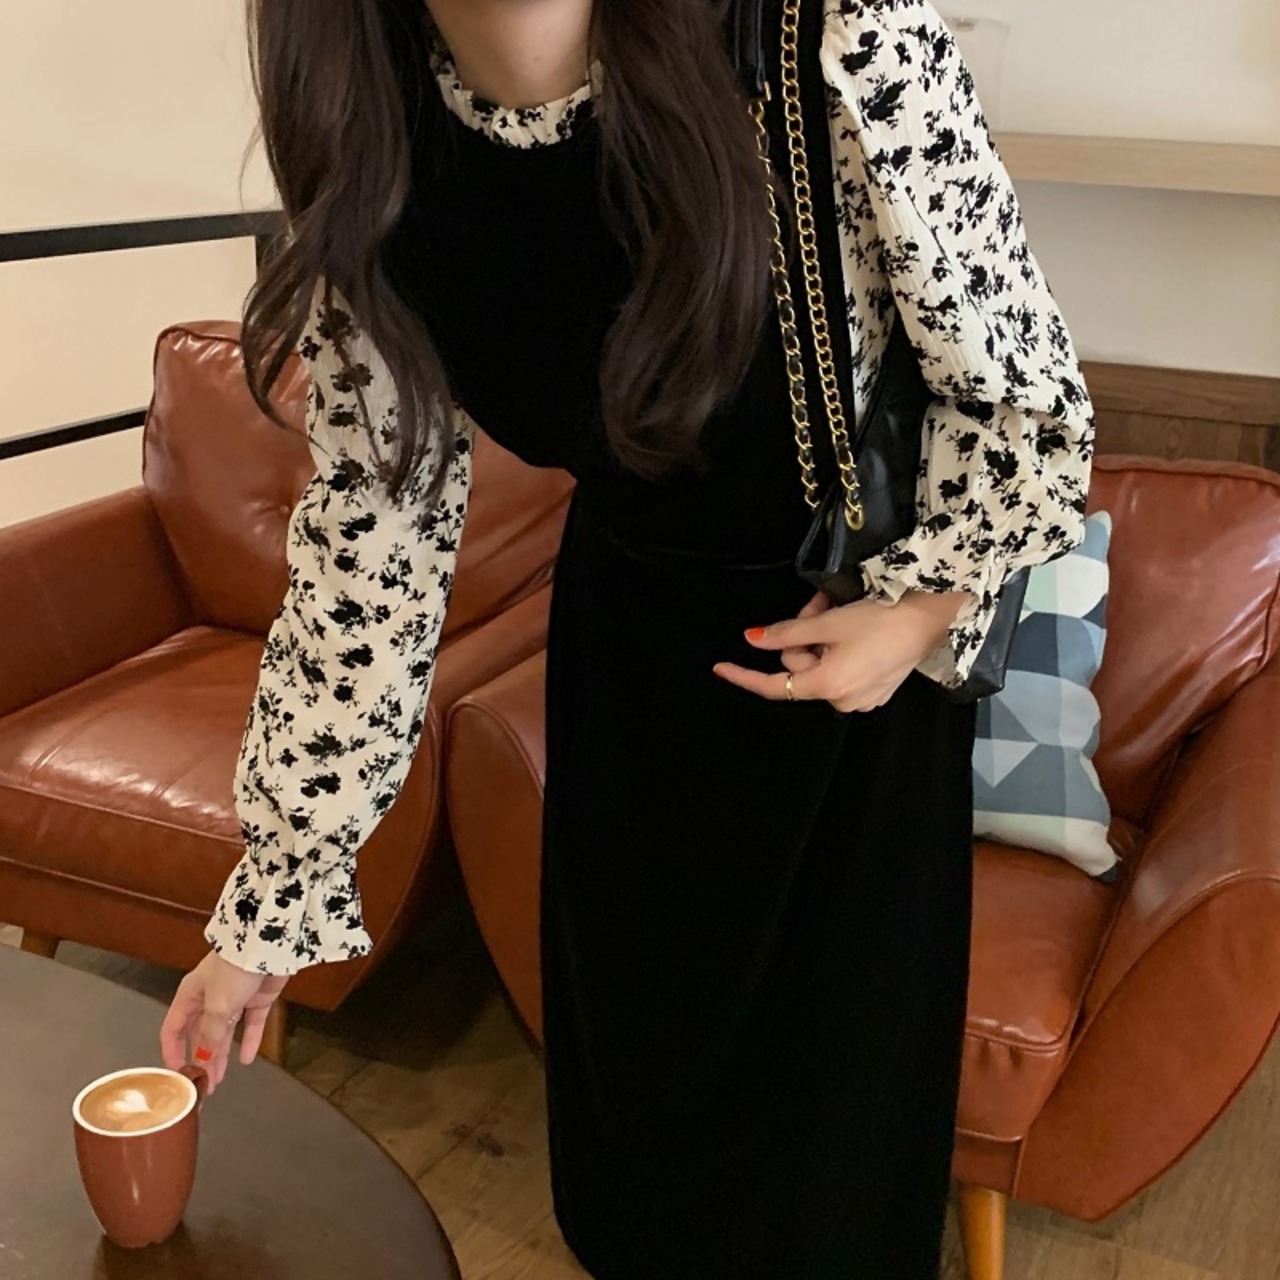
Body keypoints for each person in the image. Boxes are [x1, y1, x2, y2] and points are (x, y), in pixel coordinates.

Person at [160, 0, 1094, 1274]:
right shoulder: (369, 116)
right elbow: (372, 530)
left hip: (851, 704)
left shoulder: (832, 32)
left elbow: (1030, 405)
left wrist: (920, 609)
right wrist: (276, 891)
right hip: (625, 677)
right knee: (635, 1166)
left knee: (826, 1190)